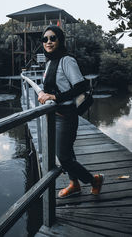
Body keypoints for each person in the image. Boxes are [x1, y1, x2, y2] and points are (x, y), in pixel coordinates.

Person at [38, 25, 104, 198]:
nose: (49, 42)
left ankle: (93, 180)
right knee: (67, 152)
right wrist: (45, 93)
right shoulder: (50, 61)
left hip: (66, 115)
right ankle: (74, 184)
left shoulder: (66, 60)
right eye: (45, 39)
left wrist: (55, 97)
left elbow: (80, 86)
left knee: (63, 157)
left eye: (53, 38)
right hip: (56, 115)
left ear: (60, 40)